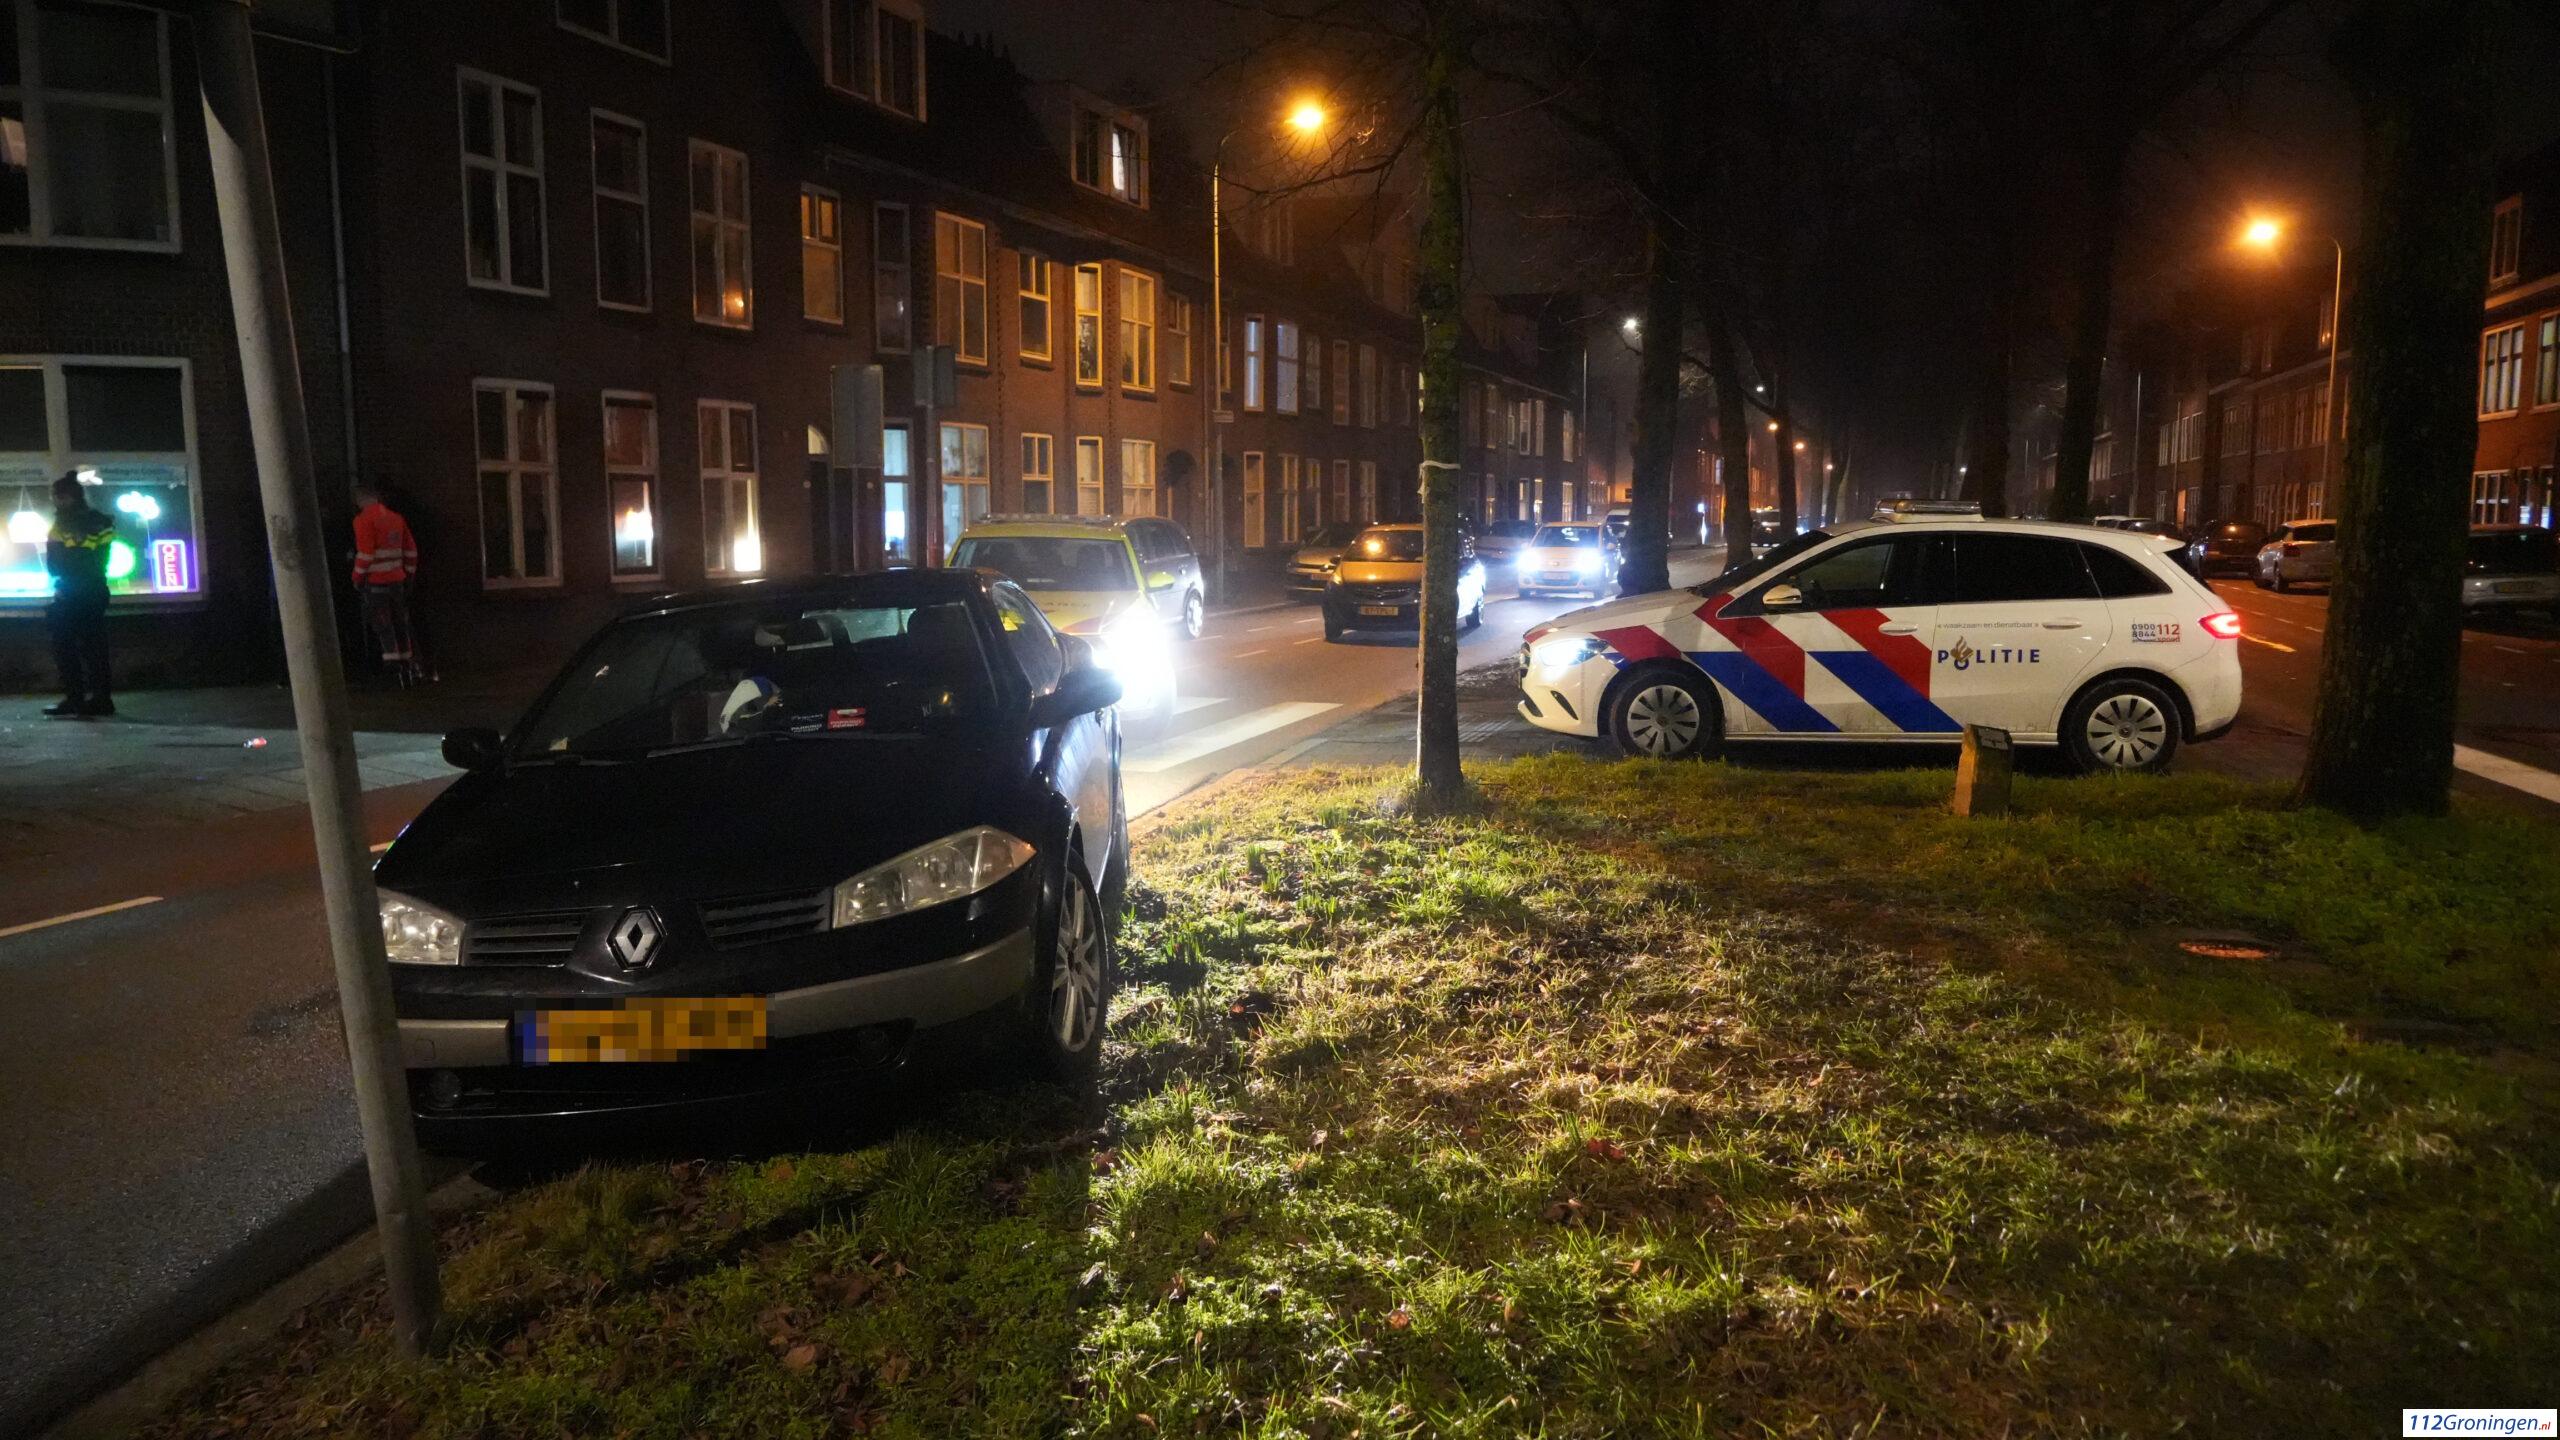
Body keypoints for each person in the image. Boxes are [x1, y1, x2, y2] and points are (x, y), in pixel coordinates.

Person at [44, 473, 116, 718]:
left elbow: (54, 565)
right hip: (95, 590)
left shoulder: (60, 526)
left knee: (65, 646)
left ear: (66, 497)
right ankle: (102, 699)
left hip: (69, 592)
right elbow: (101, 559)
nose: (54, 501)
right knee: (95, 647)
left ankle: (75, 698)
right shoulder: (103, 522)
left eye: (56, 496)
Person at [350, 481, 424, 683]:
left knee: (383, 624)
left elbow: (365, 554)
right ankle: (408, 667)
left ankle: (392, 669)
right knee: (400, 622)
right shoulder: (396, 518)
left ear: (360, 500)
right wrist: (408, 575)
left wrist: (356, 578)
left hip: (376, 582)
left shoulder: (363, 520)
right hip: (397, 581)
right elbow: (411, 551)